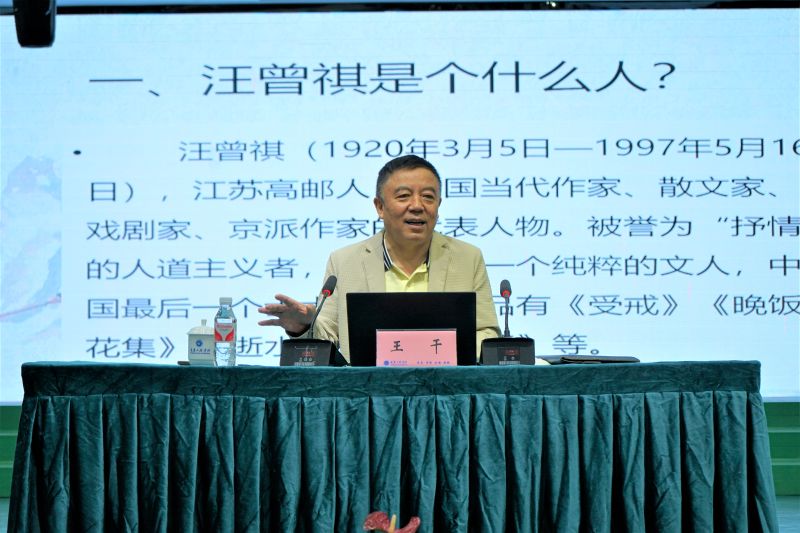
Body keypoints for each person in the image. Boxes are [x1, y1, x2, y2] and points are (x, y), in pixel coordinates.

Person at [257, 155, 500, 361]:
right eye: (404, 196)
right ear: (380, 207)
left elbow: (486, 332)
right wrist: (302, 325)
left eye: (428, 196)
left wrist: (448, 357)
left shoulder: (467, 258)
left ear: (439, 205)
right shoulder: (345, 261)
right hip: (368, 394)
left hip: (444, 391)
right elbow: (328, 336)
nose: (417, 206)